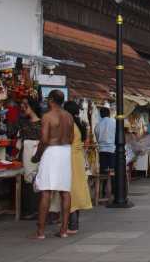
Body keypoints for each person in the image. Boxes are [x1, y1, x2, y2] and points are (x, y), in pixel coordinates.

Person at [32, 89, 73, 239]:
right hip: (65, 152)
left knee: (46, 190)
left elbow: (44, 139)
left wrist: (37, 155)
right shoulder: (69, 117)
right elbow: (72, 138)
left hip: (52, 152)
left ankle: (41, 232)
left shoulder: (47, 116)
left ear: (50, 100)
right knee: (65, 191)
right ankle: (63, 230)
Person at [63, 101, 92, 235]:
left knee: (71, 190)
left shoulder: (69, 125)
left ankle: (72, 224)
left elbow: (67, 142)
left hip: (70, 159)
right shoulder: (80, 125)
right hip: (78, 159)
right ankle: (74, 223)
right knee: (76, 189)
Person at [18, 97, 42, 220]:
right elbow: (19, 140)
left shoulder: (42, 122)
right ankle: (29, 210)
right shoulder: (22, 122)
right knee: (27, 181)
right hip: (26, 155)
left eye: (25, 104)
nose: (23, 106)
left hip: (38, 154)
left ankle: (37, 209)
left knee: (38, 180)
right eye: (22, 104)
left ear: (32, 107)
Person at [93, 107, 115, 195]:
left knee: (104, 172)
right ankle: (112, 190)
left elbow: (97, 137)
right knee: (112, 171)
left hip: (102, 150)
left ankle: (103, 191)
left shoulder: (97, 125)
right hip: (112, 150)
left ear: (101, 115)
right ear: (109, 114)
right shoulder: (114, 123)